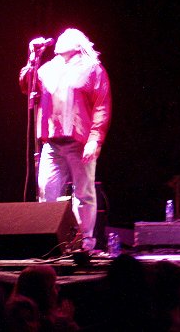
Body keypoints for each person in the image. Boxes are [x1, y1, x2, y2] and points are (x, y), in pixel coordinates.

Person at [19, 28, 112, 242]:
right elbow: (26, 85)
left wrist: (95, 140)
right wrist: (32, 56)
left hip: (79, 141)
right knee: (46, 191)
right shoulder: (48, 69)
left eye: (67, 37)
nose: (60, 39)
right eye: (60, 37)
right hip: (52, 143)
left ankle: (84, 241)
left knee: (84, 194)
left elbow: (102, 106)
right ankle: (49, 240)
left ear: (79, 44)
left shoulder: (92, 69)